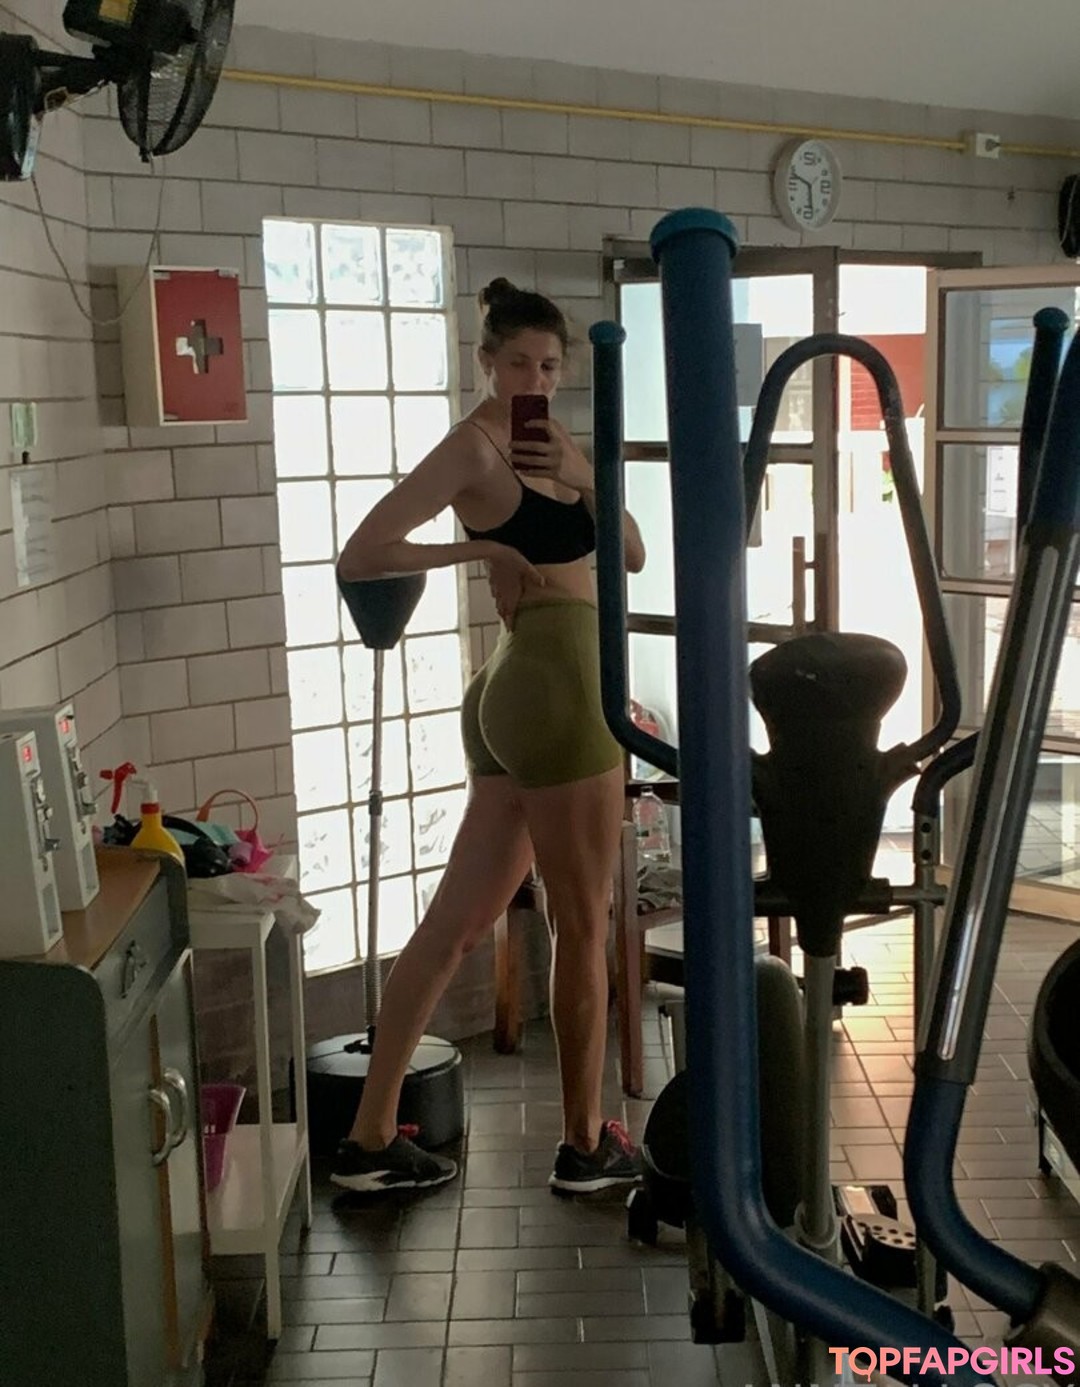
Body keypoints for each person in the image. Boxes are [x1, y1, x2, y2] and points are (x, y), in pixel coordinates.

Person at [331, 277, 647, 1195]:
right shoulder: (471, 446)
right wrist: (482, 549)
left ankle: (369, 1136)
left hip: (521, 687)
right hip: (559, 682)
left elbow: (629, 551)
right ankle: (585, 1144)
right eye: (517, 363)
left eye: (548, 366)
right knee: (581, 921)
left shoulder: (557, 443)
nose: (533, 380)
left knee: (459, 925)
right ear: (485, 361)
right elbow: (363, 552)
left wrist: (584, 476)